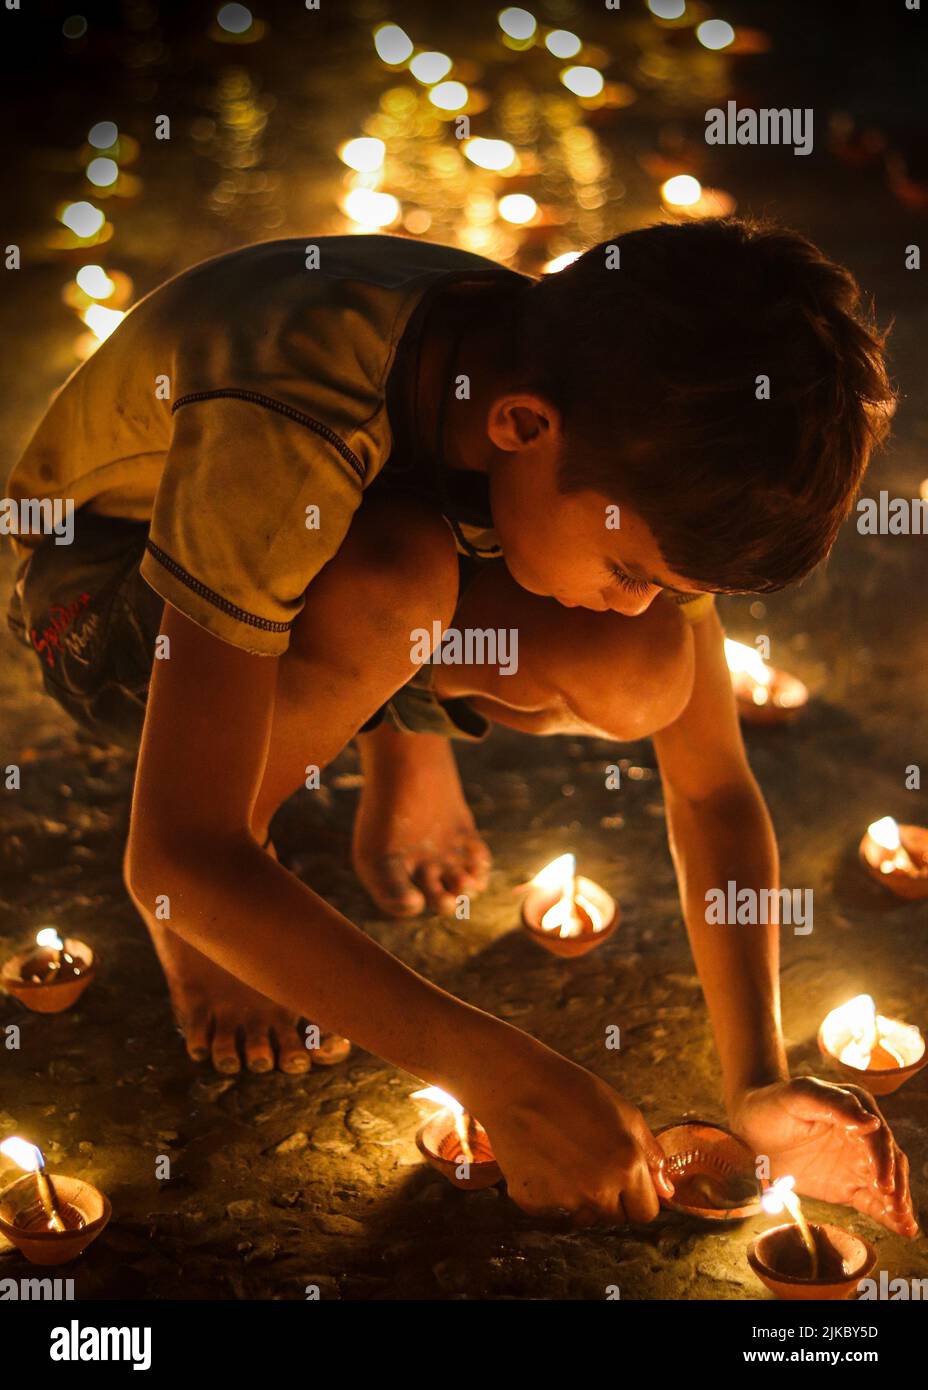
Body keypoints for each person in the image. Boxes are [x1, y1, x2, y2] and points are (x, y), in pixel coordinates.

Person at [5, 219, 915, 1233]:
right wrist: (509, 1078)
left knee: (640, 666)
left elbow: (712, 790)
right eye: (628, 572)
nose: (633, 599)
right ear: (524, 427)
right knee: (391, 582)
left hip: (343, 547)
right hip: (98, 592)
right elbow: (168, 856)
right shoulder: (287, 413)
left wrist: (756, 1078)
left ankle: (396, 736)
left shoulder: (615, 393)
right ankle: (230, 884)